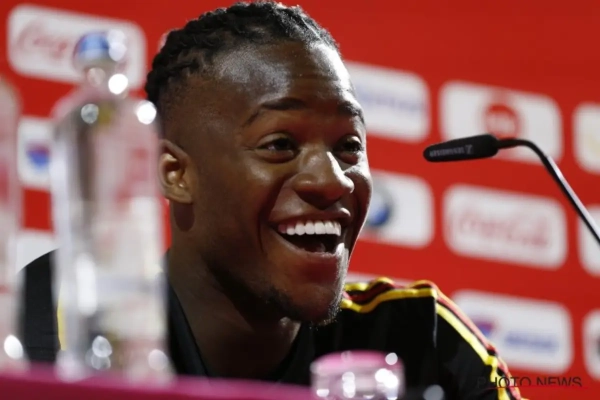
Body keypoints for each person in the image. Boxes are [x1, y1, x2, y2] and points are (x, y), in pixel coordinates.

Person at [20, 2, 524, 399]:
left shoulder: (421, 340)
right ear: (175, 173)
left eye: (349, 146)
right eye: (280, 144)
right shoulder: (63, 326)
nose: (334, 181)